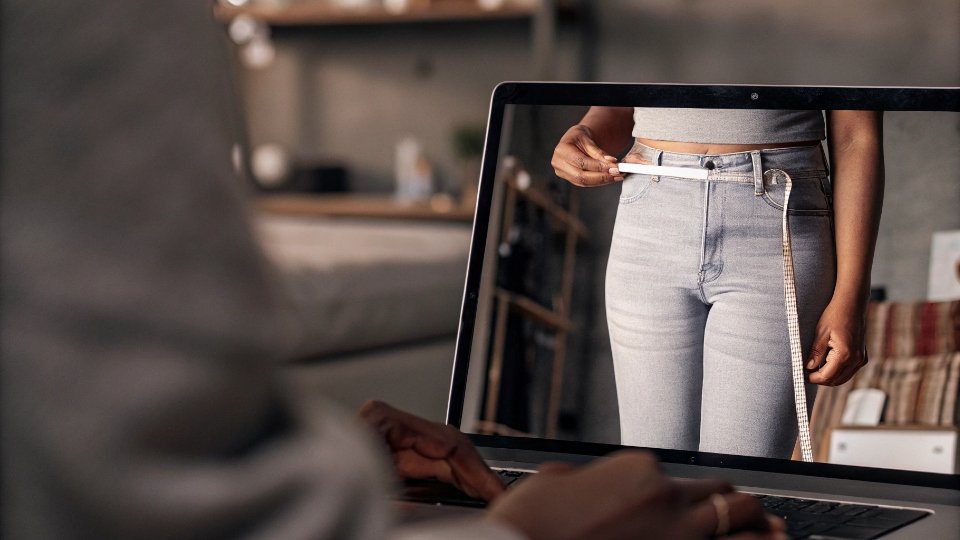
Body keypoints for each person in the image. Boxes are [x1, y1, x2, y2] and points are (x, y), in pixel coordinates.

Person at [0, 1, 788, 538]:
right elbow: (135, 500)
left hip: (782, 193)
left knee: (760, 488)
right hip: (650, 196)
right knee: (685, 484)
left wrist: (334, 456)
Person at [551, 106, 883, 459]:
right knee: (652, 472)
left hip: (775, 210)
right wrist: (586, 132)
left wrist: (853, 297)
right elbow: (621, 103)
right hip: (650, 207)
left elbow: (855, 136)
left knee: (742, 479)